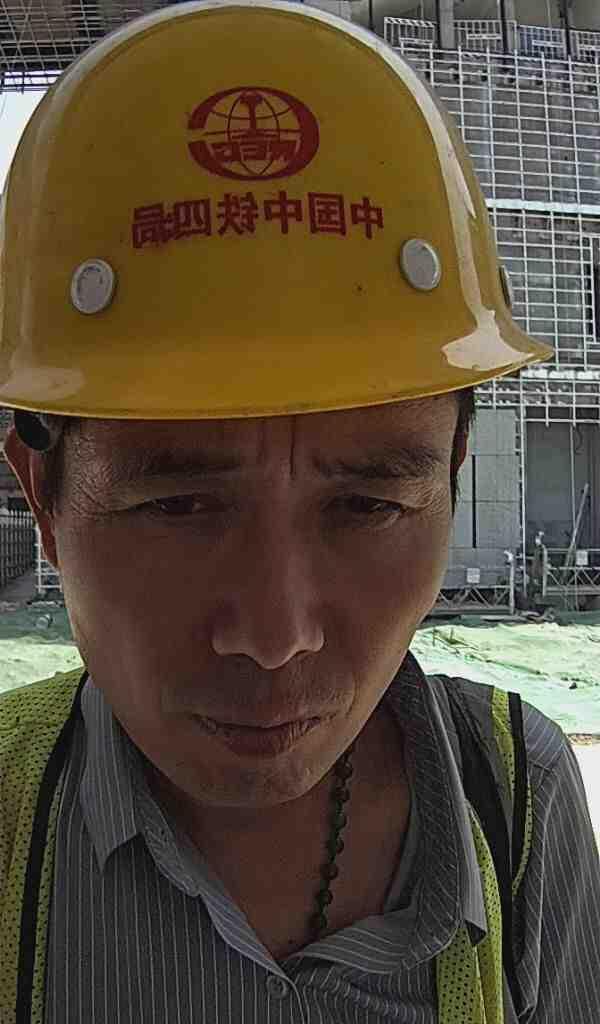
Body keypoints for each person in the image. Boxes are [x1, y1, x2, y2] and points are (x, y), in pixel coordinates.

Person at [0, 2, 598, 1021]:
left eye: (368, 504)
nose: (276, 636)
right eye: (178, 504)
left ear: (453, 477)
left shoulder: (519, 805)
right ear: (42, 499)